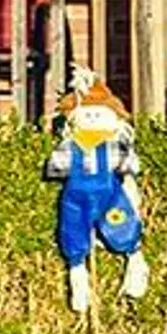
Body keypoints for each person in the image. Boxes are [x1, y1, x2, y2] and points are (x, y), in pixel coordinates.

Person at [46, 78, 149, 312]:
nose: (91, 118)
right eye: (86, 113)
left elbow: (130, 165)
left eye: (97, 113)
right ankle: (78, 277)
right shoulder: (70, 147)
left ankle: (135, 261)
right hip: (75, 200)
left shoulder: (113, 146)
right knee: (73, 233)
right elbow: (55, 167)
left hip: (109, 197)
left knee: (122, 228)